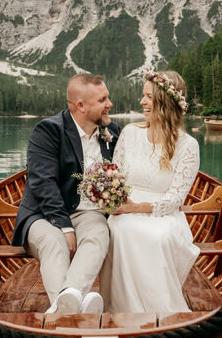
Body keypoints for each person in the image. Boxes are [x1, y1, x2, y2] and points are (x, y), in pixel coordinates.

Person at [12, 73, 121, 315]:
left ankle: (64, 309)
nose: (109, 104)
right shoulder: (49, 131)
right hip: (42, 215)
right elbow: (42, 183)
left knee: (99, 234)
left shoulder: (111, 132)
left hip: (88, 213)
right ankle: (73, 311)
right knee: (55, 242)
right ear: (81, 106)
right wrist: (64, 226)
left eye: (108, 97)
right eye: (103, 99)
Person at [100, 70, 199, 315]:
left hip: (163, 213)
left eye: (148, 97)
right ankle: (119, 309)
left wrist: (137, 208)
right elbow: (116, 175)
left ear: (165, 103)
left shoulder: (188, 145)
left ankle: (161, 311)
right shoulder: (130, 133)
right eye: (142, 95)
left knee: (158, 237)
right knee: (117, 228)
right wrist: (114, 200)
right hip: (126, 206)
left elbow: (176, 199)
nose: (141, 102)